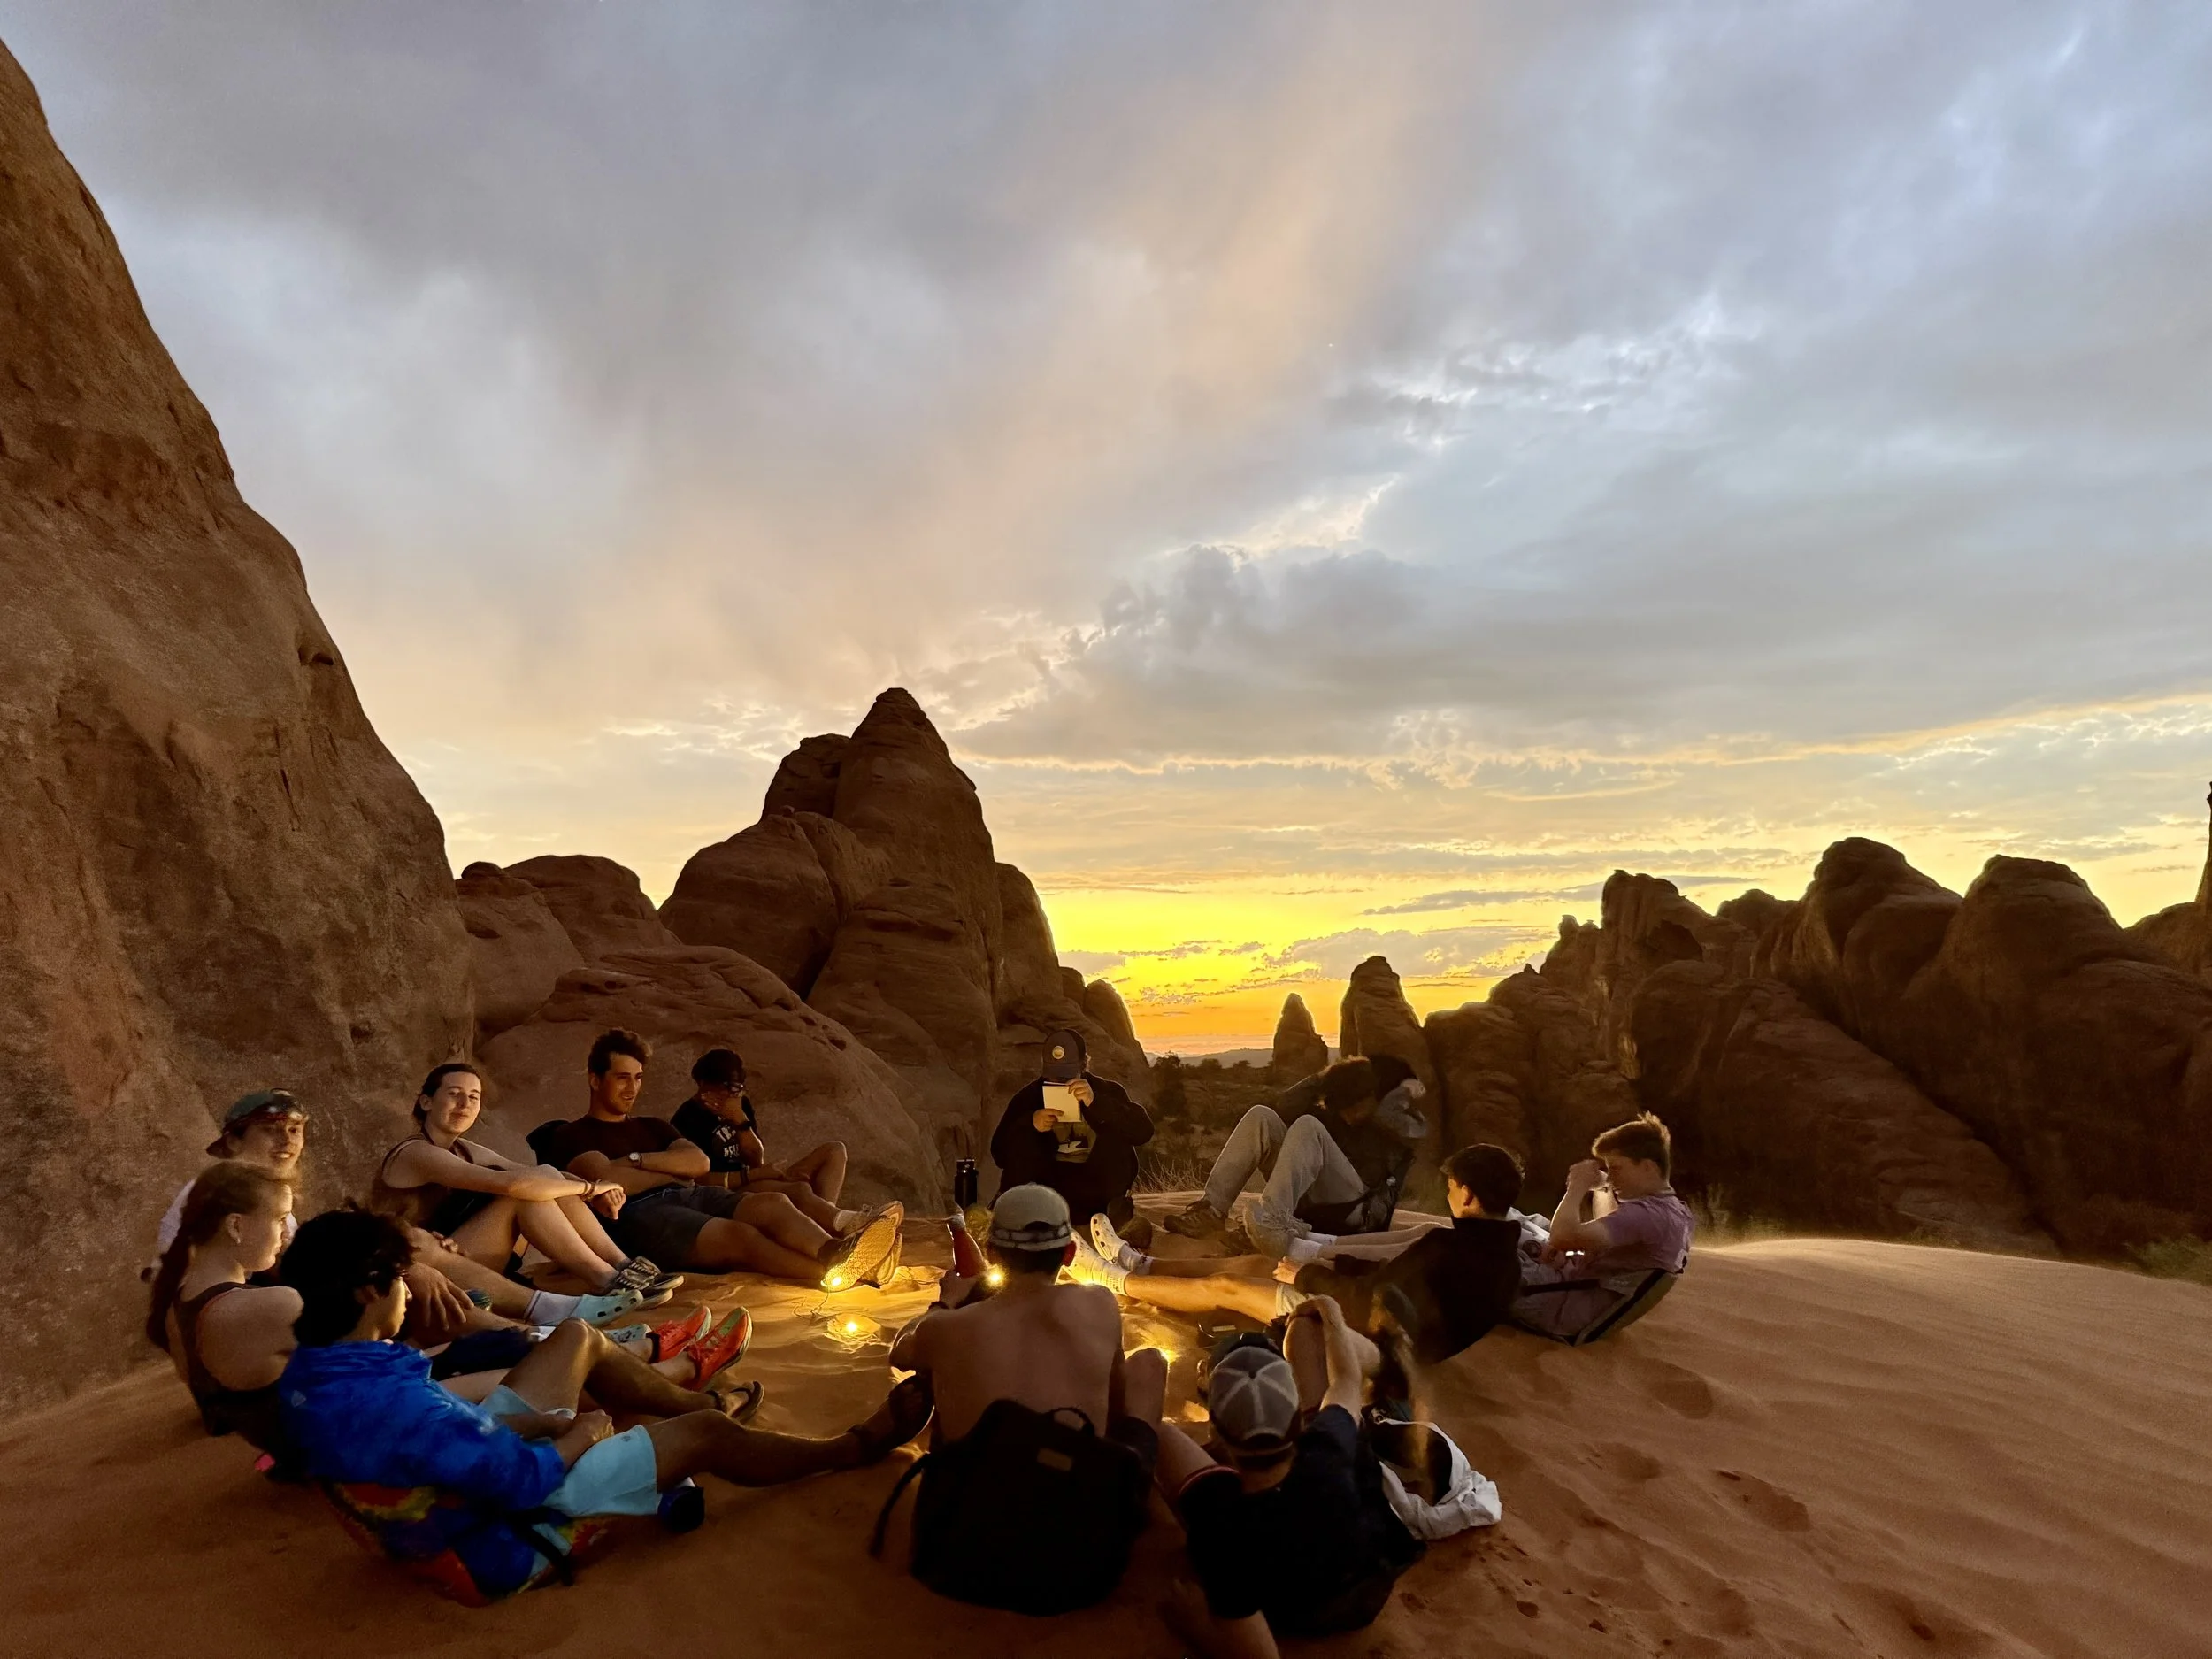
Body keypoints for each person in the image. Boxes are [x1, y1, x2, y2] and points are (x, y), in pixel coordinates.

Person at [276, 1208, 930, 1601]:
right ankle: (849, 1447)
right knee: (705, 1433)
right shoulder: (389, 1400)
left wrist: (533, 1421)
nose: (409, 1293)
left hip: (453, 1486)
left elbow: (437, 1441)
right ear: (368, 1292)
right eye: (399, 1280)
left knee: (577, 1339)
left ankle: (688, 1403)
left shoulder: (318, 1371)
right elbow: (518, 1479)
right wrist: (582, 1432)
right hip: (497, 1540)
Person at [881, 1184, 1164, 1609]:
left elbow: (901, 1351)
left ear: (992, 1253)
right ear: (1069, 1254)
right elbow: (1116, 1401)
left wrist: (944, 1304)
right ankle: (1142, 1498)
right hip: (1083, 1565)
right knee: (1150, 1363)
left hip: (965, 1560)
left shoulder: (946, 1329)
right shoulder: (1100, 1304)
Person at [1133, 1297, 1424, 1658]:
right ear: (1299, 1417)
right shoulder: (1329, 1444)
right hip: (1369, 1584)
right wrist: (1330, 1309)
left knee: (1158, 1434)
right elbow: (1347, 1379)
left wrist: (1195, 1625)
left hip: (1293, 1614)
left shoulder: (1220, 1521)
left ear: (1215, 1430)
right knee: (1306, 1339)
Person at [1075, 1144, 1526, 1366]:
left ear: (1468, 1196)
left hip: (1367, 1343)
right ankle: (1141, 1263)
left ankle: (1113, 1279)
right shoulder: (1502, 1262)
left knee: (1227, 1287)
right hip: (1386, 1330)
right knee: (1261, 1265)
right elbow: (1399, 1281)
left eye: (1451, 1189)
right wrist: (1333, 1265)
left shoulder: (1450, 1248)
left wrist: (1308, 1278)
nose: (1448, 1196)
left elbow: (1373, 1305)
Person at [534, 1030, 901, 1285]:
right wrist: (668, 1171)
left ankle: (836, 1251)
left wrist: (635, 1161)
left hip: (691, 1194)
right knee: (740, 1236)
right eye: (622, 1078)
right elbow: (609, 1180)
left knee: (773, 1203)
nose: (632, 1088)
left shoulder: (653, 1126)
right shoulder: (573, 1134)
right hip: (640, 1216)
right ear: (595, 1080)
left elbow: (698, 1164)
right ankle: (837, 1274)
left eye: (638, 1078)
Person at [371, 1061, 678, 1308]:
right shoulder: (416, 1153)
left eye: (474, 1097)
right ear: (426, 1101)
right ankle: (606, 1280)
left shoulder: (463, 1148)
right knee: (523, 1195)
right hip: (418, 1269)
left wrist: (598, 1188)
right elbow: (514, 1185)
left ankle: (622, 1266)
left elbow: (541, 1174)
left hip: (459, 1252)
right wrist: (589, 1190)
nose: (465, 1104)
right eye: (454, 1094)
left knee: (543, 1180)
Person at [1164, 1056, 1427, 1258]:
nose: (1350, 1113)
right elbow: (1285, 1105)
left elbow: (1381, 1164)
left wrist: (1402, 1091)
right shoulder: (1337, 1111)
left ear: (1371, 1097)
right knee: (1261, 1116)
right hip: (1316, 1201)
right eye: (1344, 1105)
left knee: (1307, 1126)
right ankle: (1213, 1209)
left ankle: (1271, 1222)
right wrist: (1325, 1078)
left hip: (1358, 1213)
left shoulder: (1390, 1121)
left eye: (1356, 1104)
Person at [1511, 1112, 1693, 1340]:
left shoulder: (1647, 1216)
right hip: (1573, 1290)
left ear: (1648, 1167)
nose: (1611, 1178)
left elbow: (1562, 1236)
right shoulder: (1676, 1212)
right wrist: (1604, 1186)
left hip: (1558, 1304)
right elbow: (1606, 1228)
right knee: (1523, 1222)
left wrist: (1576, 1187)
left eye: (1616, 1169)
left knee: (1486, 1253)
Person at [988, 1028, 1155, 1242]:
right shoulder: (1029, 1097)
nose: (1061, 1081)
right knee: (1024, 1137)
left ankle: (1120, 1226)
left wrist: (1096, 1103)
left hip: (1099, 1195)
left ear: (1084, 1065)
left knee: (1114, 1127)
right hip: (1050, 1193)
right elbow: (999, 1153)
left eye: (1067, 1074)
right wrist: (1030, 1123)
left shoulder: (1106, 1091)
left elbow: (1143, 1132)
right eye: (1055, 1074)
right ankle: (1013, 1218)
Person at [670, 1048, 852, 1232]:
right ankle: (843, 1224)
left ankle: (829, 1222)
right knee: (799, 1190)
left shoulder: (739, 1106)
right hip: (727, 1193)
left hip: (753, 1178)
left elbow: (755, 1159)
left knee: (834, 1151)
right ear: (702, 1083)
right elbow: (698, 1181)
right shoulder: (687, 1119)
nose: (729, 1095)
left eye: (736, 1089)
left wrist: (740, 1120)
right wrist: (755, 1175)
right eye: (724, 1087)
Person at [148, 1089, 309, 1272]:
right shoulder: (215, 1193)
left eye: (294, 1130)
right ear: (233, 1141)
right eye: (270, 1130)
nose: (287, 1141)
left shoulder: (271, 1196)